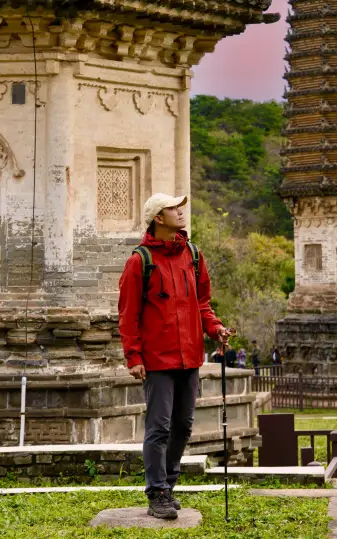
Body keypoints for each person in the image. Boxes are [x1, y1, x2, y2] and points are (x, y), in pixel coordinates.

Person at [118, 193, 230, 521]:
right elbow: (128, 314)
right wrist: (133, 357)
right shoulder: (140, 261)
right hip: (157, 360)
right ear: (158, 217)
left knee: (183, 424)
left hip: (190, 356)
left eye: (179, 207)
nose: (180, 212)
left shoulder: (193, 255)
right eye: (172, 208)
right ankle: (156, 492)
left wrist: (216, 329)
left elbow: (202, 304)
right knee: (159, 426)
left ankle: (169, 482)